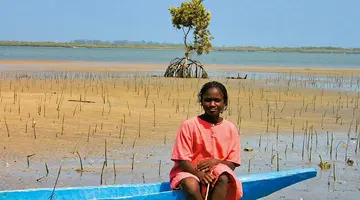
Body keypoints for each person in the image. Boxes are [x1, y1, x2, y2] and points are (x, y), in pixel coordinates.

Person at [169, 81, 243, 200]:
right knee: (191, 185)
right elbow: (183, 161)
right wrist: (199, 174)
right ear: (201, 102)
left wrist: (216, 162)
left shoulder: (230, 129)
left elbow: (232, 163)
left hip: (219, 171)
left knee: (223, 177)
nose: (212, 104)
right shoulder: (189, 125)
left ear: (225, 103)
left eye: (217, 100)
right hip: (189, 172)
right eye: (208, 100)